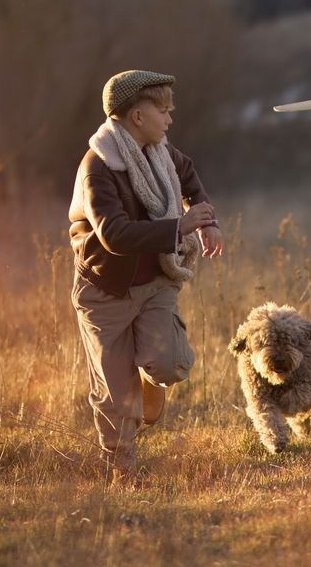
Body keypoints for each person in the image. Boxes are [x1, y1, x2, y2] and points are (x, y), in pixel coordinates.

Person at [68, 70, 224, 484]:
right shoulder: (98, 167)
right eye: (163, 110)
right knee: (115, 396)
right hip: (106, 289)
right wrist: (180, 227)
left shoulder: (160, 152)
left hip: (156, 281)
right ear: (137, 116)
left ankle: (147, 374)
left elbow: (189, 178)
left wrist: (207, 222)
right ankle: (124, 472)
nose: (170, 119)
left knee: (169, 365)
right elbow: (115, 235)